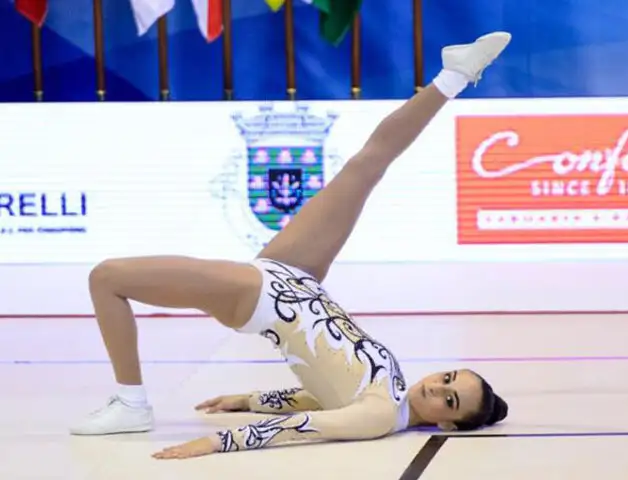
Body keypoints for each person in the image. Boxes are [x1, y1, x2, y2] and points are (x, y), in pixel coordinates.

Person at [70, 31, 512, 460]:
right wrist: (249, 399)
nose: (437, 387)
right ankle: (453, 76)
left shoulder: (380, 415)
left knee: (107, 278)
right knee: (366, 165)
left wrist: (214, 444)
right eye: (448, 378)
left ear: (446, 425)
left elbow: (305, 427)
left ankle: (131, 404)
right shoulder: (394, 387)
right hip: (295, 276)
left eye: (449, 400)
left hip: (260, 297)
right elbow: (320, 393)